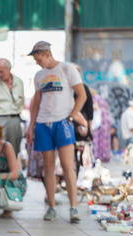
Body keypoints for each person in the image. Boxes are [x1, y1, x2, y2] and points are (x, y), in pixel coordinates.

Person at [26, 41, 86, 223]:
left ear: (47, 55)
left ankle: (73, 207)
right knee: (48, 167)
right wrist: (31, 125)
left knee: (68, 166)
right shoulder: (39, 75)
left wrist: (72, 116)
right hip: (43, 124)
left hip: (63, 123)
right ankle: (51, 206)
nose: (36, 62)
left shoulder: (66, 69)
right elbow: (36, 101)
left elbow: (82, 95)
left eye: (38, 59)